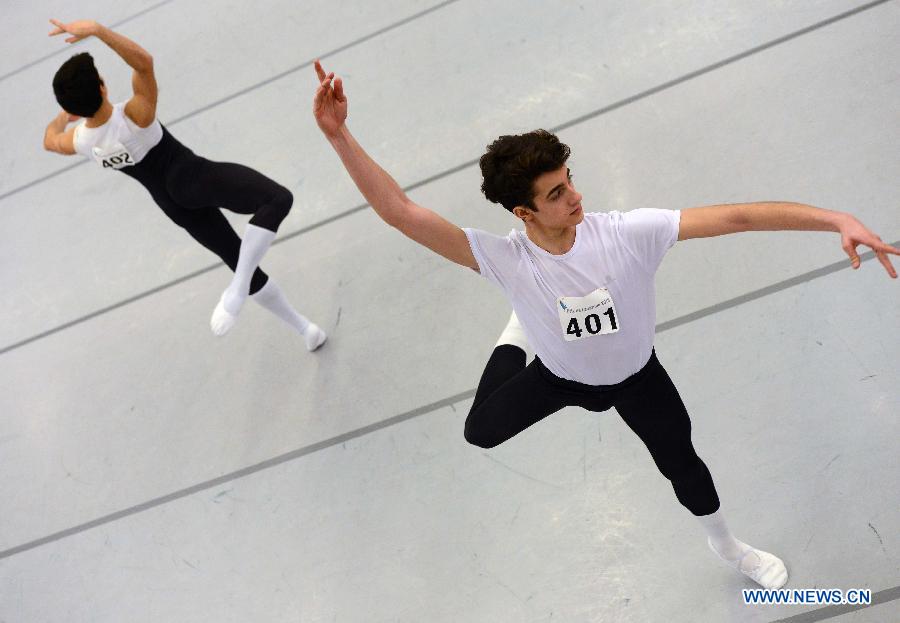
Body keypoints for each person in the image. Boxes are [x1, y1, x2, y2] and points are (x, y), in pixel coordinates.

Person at [311, 60, 898, 590]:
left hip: (636, 377)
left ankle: (731, 549)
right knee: (480, 431)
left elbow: (736, 216)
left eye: (570, 180)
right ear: (524, 213)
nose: (576, 196)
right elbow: (400, 211)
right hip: (559, 376)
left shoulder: (624, 233)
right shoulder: (506, 257)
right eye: (557, 192)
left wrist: (834, 219)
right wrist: (339, 135)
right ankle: (519, 329)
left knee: (682, 464)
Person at [43, 19, 326, 351]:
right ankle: (237, 289)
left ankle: (306, 330)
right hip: (191, 178)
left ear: (73, 108)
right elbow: (143, 62)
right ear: (102, 88)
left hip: (171, 205)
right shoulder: (136, 116)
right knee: (277, 199)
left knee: (234, 255)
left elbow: (50, 141)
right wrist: (98, 30)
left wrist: (65, 115)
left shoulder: (81, 142)